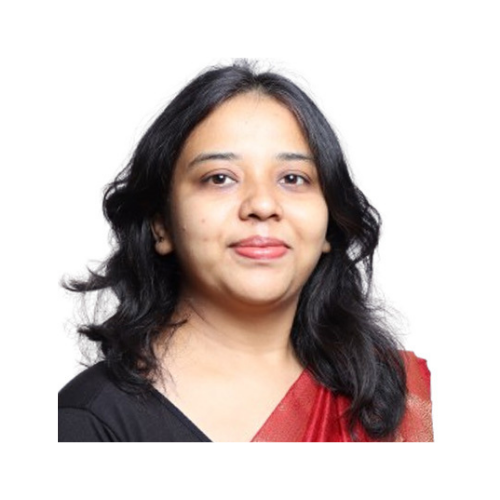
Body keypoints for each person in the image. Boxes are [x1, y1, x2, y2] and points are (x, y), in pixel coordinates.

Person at [58, 61, 433, 442]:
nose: (263, 205)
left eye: (293, 178)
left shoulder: (394, 399)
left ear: (329, 223)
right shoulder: (88, 422)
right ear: (161, 224)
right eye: (220, 178)